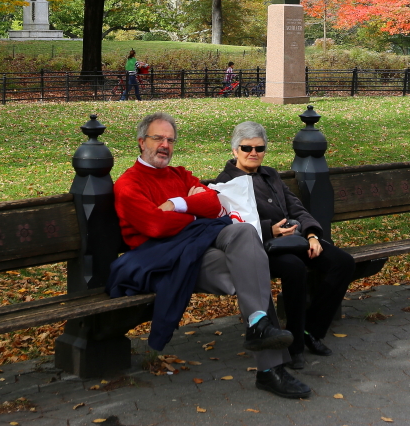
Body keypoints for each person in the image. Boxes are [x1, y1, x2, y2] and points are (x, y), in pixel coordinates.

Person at [113, 112, 312, 399]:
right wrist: (195, 213)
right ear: (142, 142)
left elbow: (213, 203)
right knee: (252, 269)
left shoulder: (180, 174)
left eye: (170, 140)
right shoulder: (128, 184)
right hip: (168, 260)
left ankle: (258, 324)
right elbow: (156, 226)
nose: (165, 145)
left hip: (199, 245)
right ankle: (271, 369)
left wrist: (178, 204)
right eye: (158, 138)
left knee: (245, 234)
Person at [215, 121, 356, 370]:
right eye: (247, 148)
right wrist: (269, 229)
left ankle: (310, 330)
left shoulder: (270, 174)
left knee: (343, 263)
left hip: (295, 239)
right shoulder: (225, 182)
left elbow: (295, 207)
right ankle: (294, 346)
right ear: (235, 150)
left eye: (259, 148)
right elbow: (231, 223)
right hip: (261, 247)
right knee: (294, 269)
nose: (253, 153)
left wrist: (312, 235)